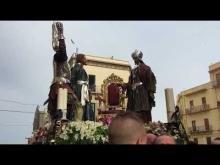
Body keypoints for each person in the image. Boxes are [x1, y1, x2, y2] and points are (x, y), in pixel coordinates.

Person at [119, 49, 156, 123]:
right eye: (133, 59)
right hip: (133, 94)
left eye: (135, 58)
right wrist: (124, 85)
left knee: (142, 111)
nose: (134, 60)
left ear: (139, 58)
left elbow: (151, 80)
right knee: (133, 112)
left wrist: (149, 91)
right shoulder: (133, 70)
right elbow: (130, 83)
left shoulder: (146, 68)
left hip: (142, 94)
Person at [70, 54, 91, 121]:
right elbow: (72, 81)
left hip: (83, 90)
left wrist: (88, 90)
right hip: (79, 91)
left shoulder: (81, 68)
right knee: (79, 109)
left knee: (83, 110)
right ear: (81, 59)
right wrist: (74, 93)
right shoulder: (75, 67)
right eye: (85, 58)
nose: (86, 60)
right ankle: (78, 125)